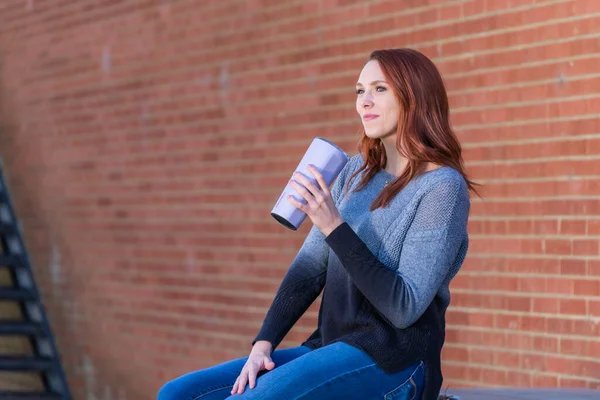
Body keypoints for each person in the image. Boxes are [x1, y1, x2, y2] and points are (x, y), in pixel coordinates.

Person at [157, 48, 478, 400]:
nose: (364, 102)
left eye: (379, 89)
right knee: (178, 394)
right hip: (329, 345)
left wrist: (334, 226)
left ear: (415, 96)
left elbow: (403, 308)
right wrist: (263, 343)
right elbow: (309, 267)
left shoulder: (442, 188)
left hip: (394, 360)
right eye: (359, 91)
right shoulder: (353, 172)